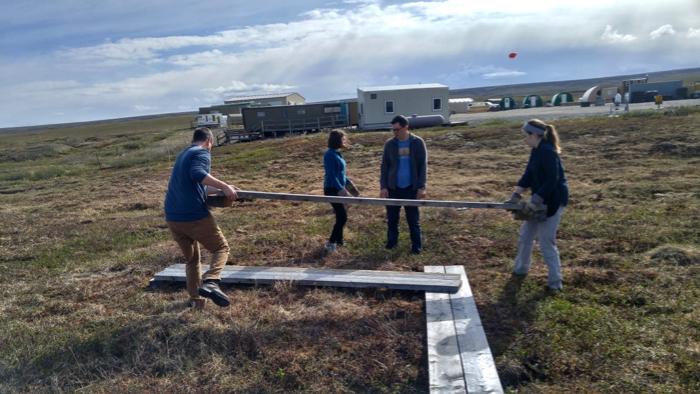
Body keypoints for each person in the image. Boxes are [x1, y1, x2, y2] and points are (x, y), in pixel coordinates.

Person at [164, 127, 238, 309]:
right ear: (209, 141)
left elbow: (196, 184)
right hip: (193, 216)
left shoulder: (183, 154)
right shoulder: (202, 152)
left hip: (173, 217)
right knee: (221, 248)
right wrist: (224, 186)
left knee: (192, 260)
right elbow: (198, 174)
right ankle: (211, 281)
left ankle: (197, 302)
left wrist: (224, 189)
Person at [507, 119, 569, 293]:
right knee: (526, 236)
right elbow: (528, 175)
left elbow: (552, 180)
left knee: (546, 241)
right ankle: (520, 270)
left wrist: (535, 200)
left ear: (534, 135)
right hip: (540, 200)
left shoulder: (548, 152)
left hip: (553, 201)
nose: (524, 139)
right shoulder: (535, 151)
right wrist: (516, 195)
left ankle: (555, 283)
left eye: (525, 135)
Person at [380, 115, 428, 254]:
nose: (394, 132)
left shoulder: (417, 142)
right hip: (393, 188)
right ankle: (391, 245)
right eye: (393, 130)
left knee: (413, 220)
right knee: (392, 220)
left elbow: (422, 166)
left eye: (397, 129)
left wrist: (421, 187)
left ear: (406, 127)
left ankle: (416, 248)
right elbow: (384, 166)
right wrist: (383, 187)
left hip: (411, 188)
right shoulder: (390, 144)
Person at [323, 129, 351, 253]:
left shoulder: (337, 154)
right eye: (343, 139)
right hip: (331, 189)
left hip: (339, 188)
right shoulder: (329, 154)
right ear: (337, 140)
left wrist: (352, 189)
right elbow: (331, 175)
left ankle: (339, 242)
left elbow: (342, 174)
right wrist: (340, 189)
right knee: (342, 217)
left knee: (341, 215)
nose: (344, 141)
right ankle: (331, 243)